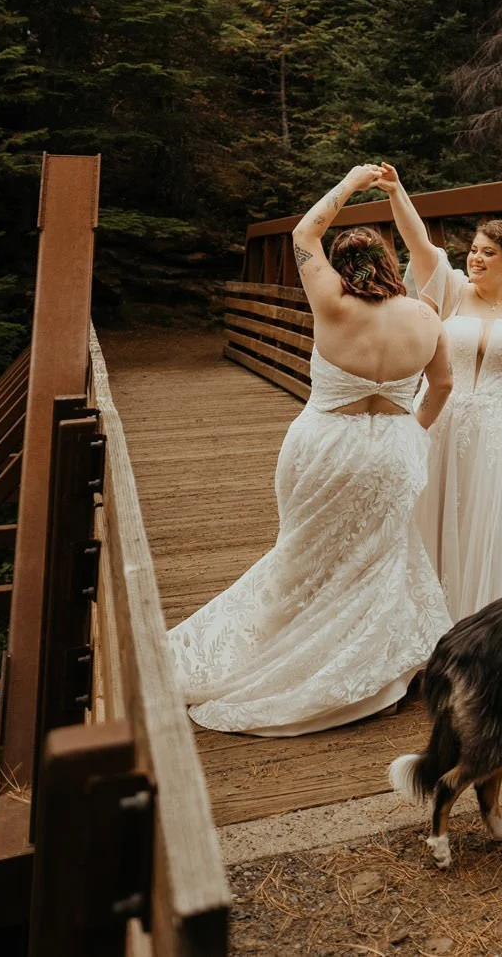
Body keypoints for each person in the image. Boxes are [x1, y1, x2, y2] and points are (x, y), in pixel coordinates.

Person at [168, 165, 456, 736]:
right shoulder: (426, 316)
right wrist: (412, 430)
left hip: (326, 448)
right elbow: (444, 385)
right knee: (379, 555)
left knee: (305, 552)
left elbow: (304, 234)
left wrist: (349, 184)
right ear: (386, 267)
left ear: (343, 269)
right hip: (395, 451)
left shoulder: (331, 303)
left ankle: (288, 655)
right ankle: (374, 674)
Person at [380, 164, 502, 617]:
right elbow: (417, 242)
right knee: (442, 520)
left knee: (495, 528)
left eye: (488, 253)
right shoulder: (449, 291)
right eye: (474, 250)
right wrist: (396, 190)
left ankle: (496, 626)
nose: (476, 258)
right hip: (447, 424)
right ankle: (432, 624)